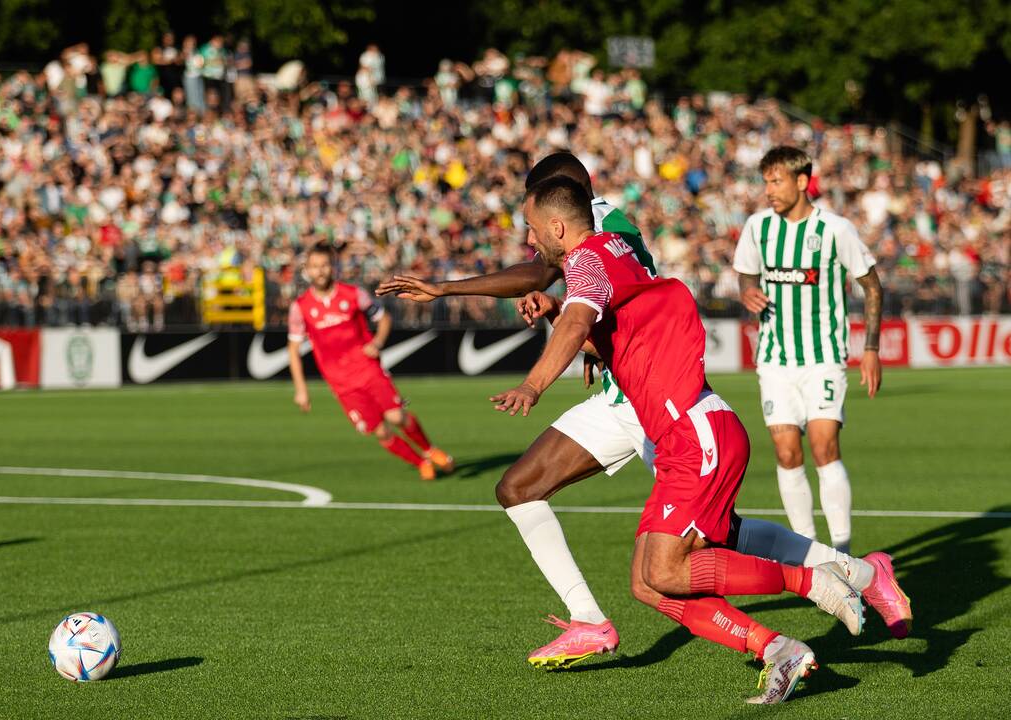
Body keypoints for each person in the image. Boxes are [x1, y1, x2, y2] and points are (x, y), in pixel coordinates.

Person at [377, 152, 910, 669]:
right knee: (529, 493)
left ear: (564, 205)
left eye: (533, 221)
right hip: (628, 395)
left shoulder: (601, 234)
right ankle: (608, 620)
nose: (531, 238)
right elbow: (595, 303)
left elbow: (567, 293)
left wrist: (538, 357)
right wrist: (572, 320)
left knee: (690, 554)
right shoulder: (596, 237)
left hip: (655, 407)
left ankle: (846, 576)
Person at [491, 177, 864, 704]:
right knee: (649, 584)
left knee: (668, 568)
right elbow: (611, 324)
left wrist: (533, 384)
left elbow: (578, 325)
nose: (531, 242)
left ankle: (819, 582)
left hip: (696, 435)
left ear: (557, 225)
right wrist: (556, 311)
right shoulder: (612, 252)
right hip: (681, 439)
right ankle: (778, 648)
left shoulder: (587, 262)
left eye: (532, 228)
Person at [733, 146, 885, 555]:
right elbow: (745, 274)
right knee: (785, 451)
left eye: (776, 180)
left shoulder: (836, 229)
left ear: (802, 182)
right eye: (765, 181)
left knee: (823, 447)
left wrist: (870, 348)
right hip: (774, 359)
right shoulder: (757, 227)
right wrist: (747, 291)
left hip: (823, 357)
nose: (768, 190)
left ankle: (842, 549)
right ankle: (810, 551)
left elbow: (871, 285)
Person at [288, 246, 454, 481]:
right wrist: (301, 390)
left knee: (397, 416)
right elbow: (293, 349)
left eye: (325, 265)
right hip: (341, 383)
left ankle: (429, 449)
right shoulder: (300, 307)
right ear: (307, 270)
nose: (321, 271)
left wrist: (377, 342)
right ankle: (421, 463)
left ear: (333, 266)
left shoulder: (353, 294)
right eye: (315, 266)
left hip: (368, 369)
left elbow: (383, 318)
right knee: (381, 431)